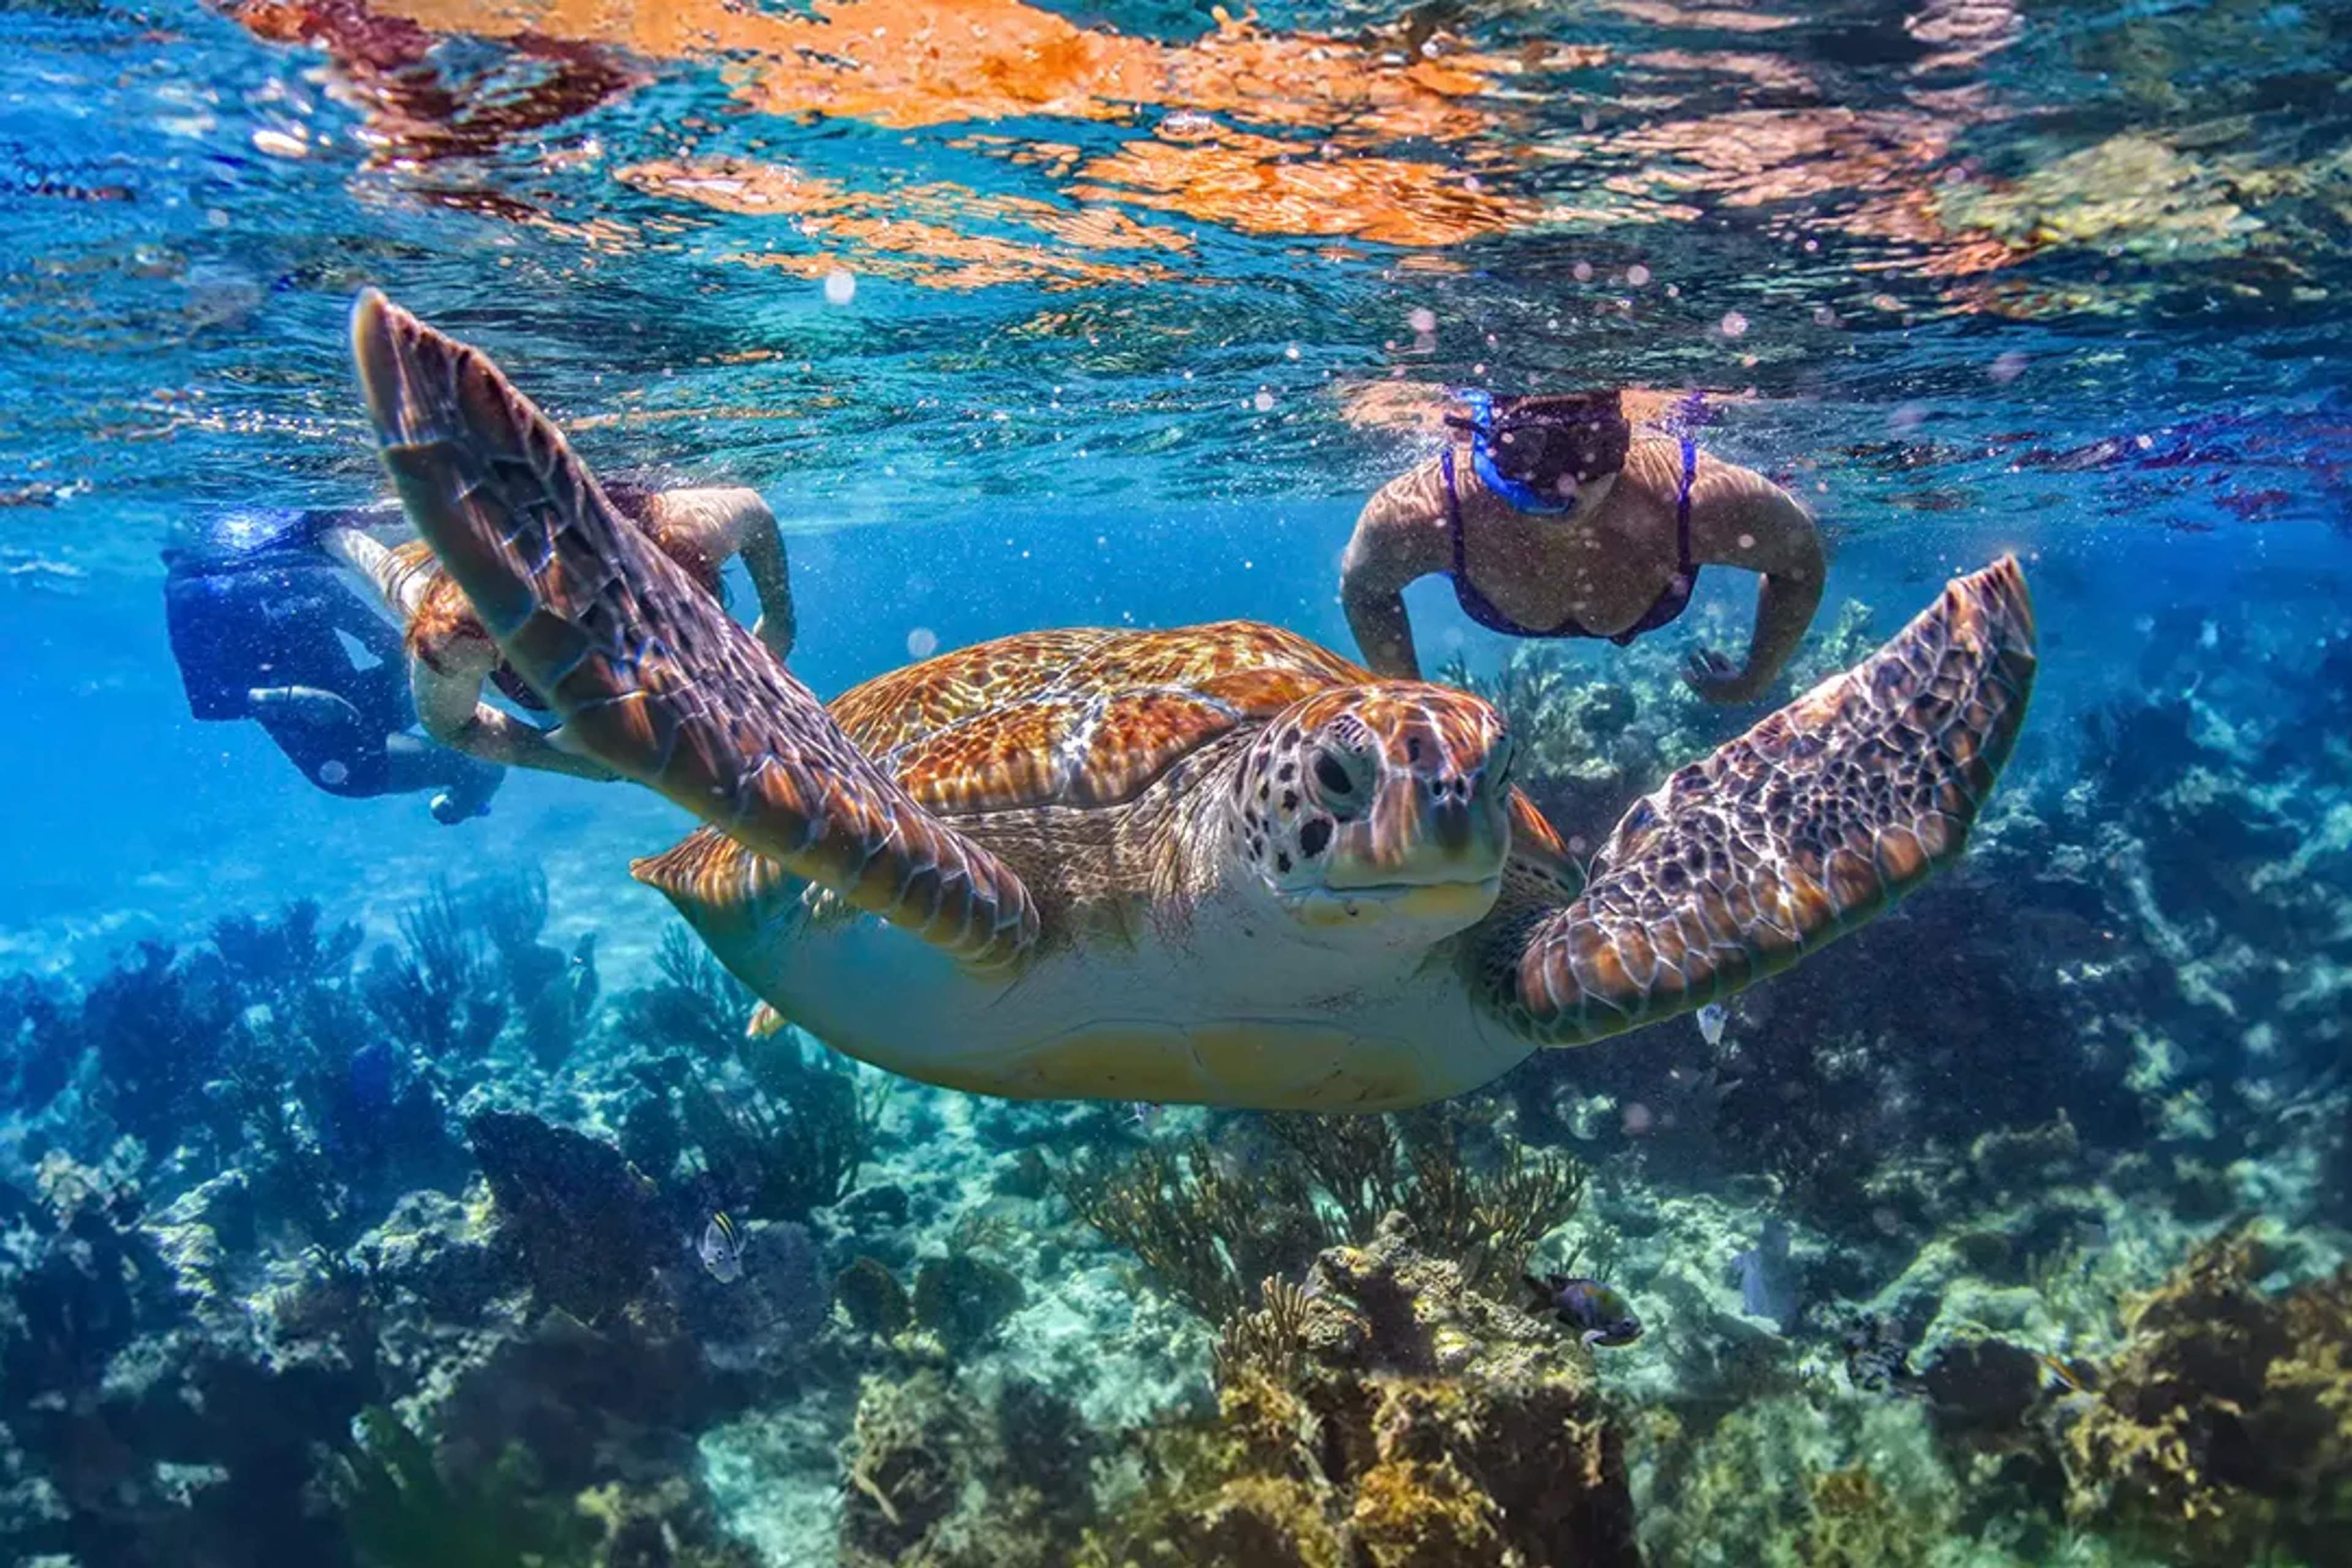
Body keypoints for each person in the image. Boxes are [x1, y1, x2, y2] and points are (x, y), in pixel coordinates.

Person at [1340, 390, 1824, 703]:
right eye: (1528, 451)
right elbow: (1364, 587)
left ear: (1625, 437)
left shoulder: (1696, 498)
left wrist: (1754, 680)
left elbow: (1801, 562)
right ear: (1487, 441)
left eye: (1595, 445)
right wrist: (1409, 702)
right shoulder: (1427, 511)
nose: (1568, 483)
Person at [317, 483, 794, 780]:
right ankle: (332, 533)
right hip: (534, 686)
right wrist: (564, 760)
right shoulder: (463, 632)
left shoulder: (679, 538)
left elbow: (754, 510)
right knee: (402, 587)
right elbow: (452, 727)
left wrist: (778, 617)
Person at [163, 507, 503, 823]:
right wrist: (292, 698)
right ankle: (460, 805)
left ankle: (471, 787)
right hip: (337, 754)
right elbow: (206, 700)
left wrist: (446, 657)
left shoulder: (294, 569)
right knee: (476, 768)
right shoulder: (193, 593)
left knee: (480, 738)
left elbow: (386, 641)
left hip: (368, 700)